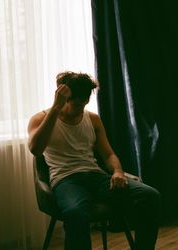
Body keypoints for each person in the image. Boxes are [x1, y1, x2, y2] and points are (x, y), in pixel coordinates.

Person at [27, 71, 161, 250]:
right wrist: (55, 108)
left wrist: (118, 172)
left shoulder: (93, 119)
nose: (81, 108)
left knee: (151, 196)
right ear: (64, 98)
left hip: (96, 177)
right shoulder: (40, 119)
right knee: (75, 213)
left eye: (85, 102)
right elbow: (35, 149)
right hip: (66, 180)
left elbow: (108, 155)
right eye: (77, 103)